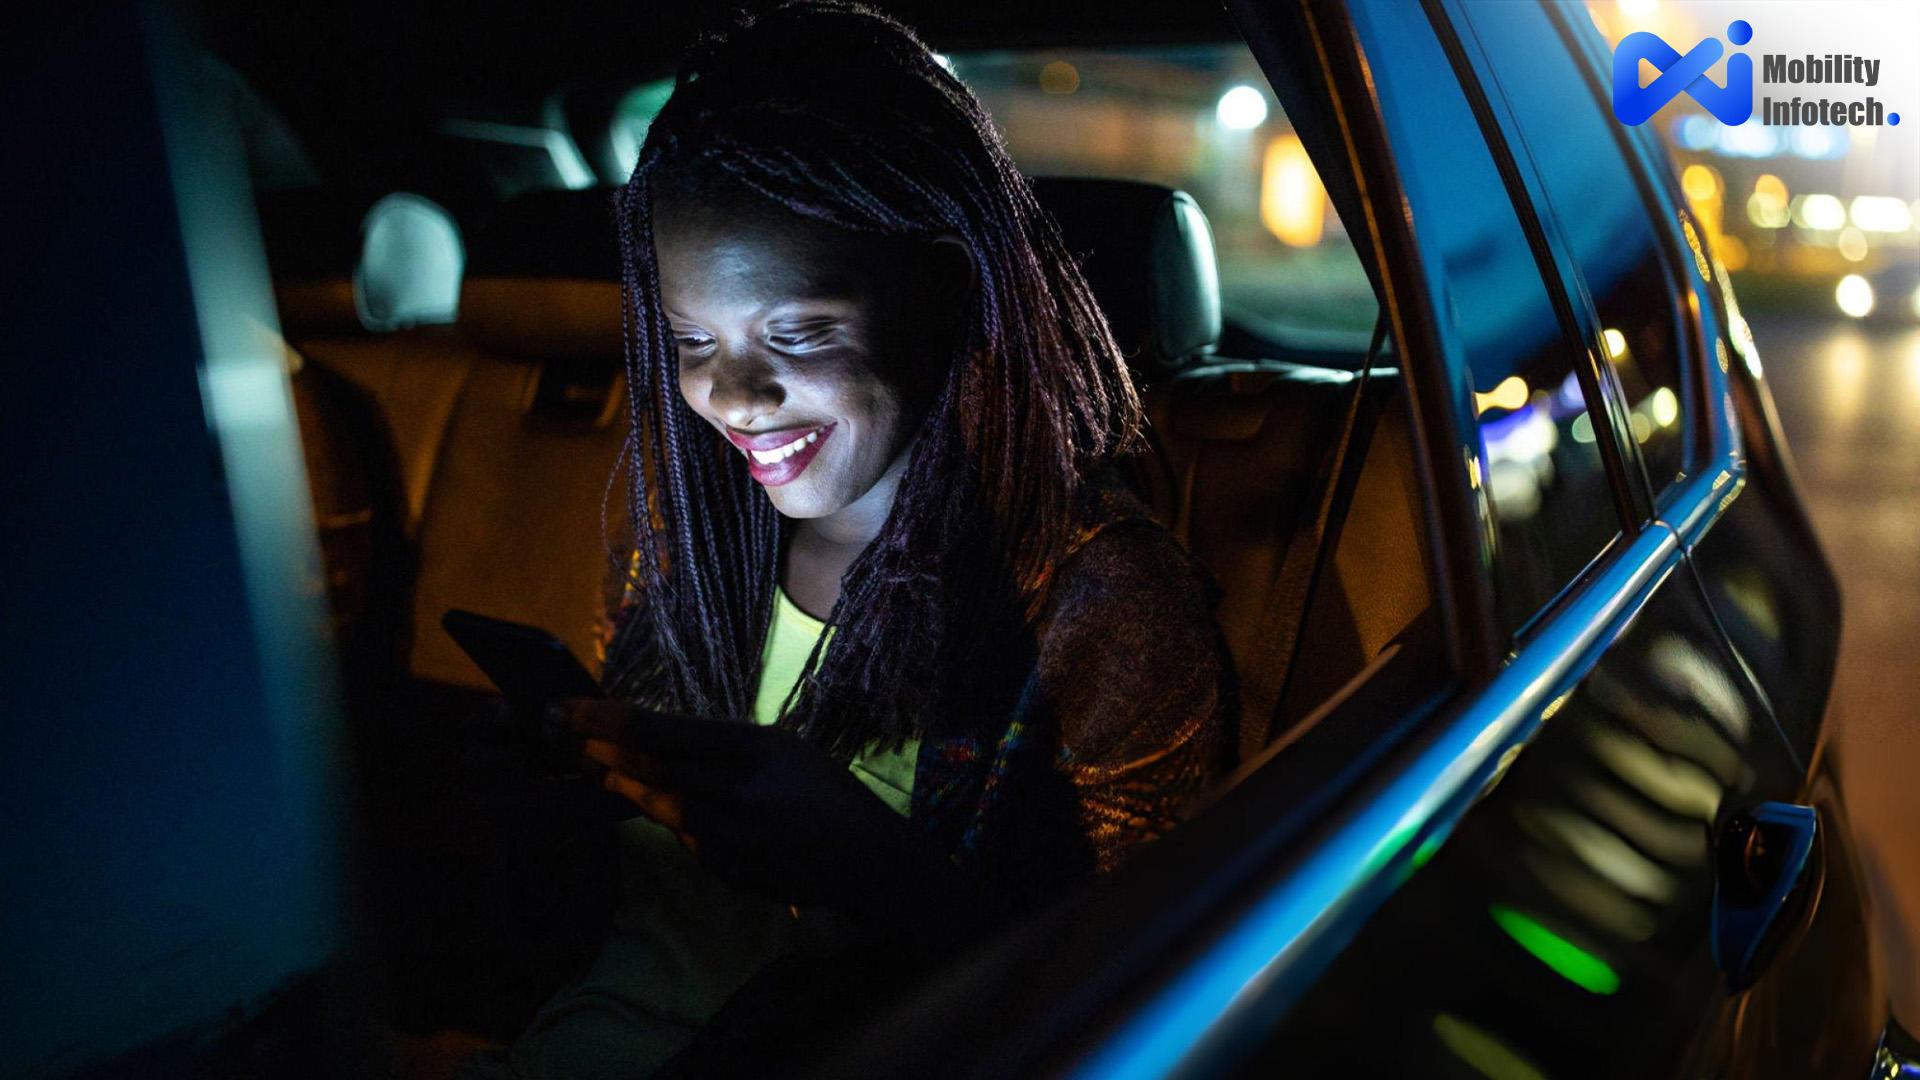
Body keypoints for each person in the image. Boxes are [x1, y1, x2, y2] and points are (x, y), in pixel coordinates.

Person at [460, 3, 1231, 1075]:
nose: (733, 395)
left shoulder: (1095, 603)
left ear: (944, 291)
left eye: (798, 333)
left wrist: (876, 872)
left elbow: (1137, 1006)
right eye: (693, 340)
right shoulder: (685, 543)